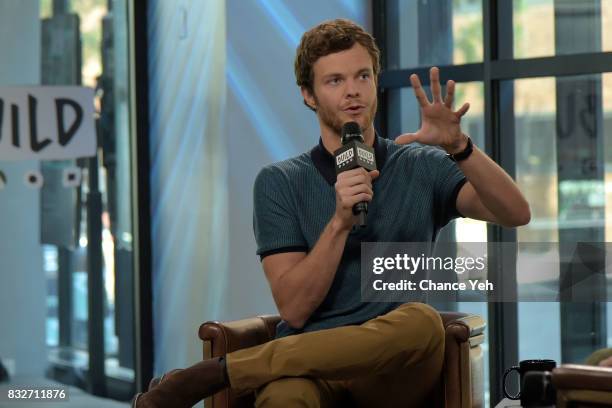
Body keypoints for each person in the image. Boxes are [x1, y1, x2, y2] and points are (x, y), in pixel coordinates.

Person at [133, 18, 530, 408]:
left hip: (393, 369)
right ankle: (244, 371)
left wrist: (460, 146)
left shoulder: (420, 165)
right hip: (311, 371)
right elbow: (294, 308)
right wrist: (340, 221)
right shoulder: (280, 182)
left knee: (422, 321)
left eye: (362, 76)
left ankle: (218, 373)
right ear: (309, 95)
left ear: (375, 82)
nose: (352, 92)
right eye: (334, 81)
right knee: (283, 396)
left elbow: (515, 212)